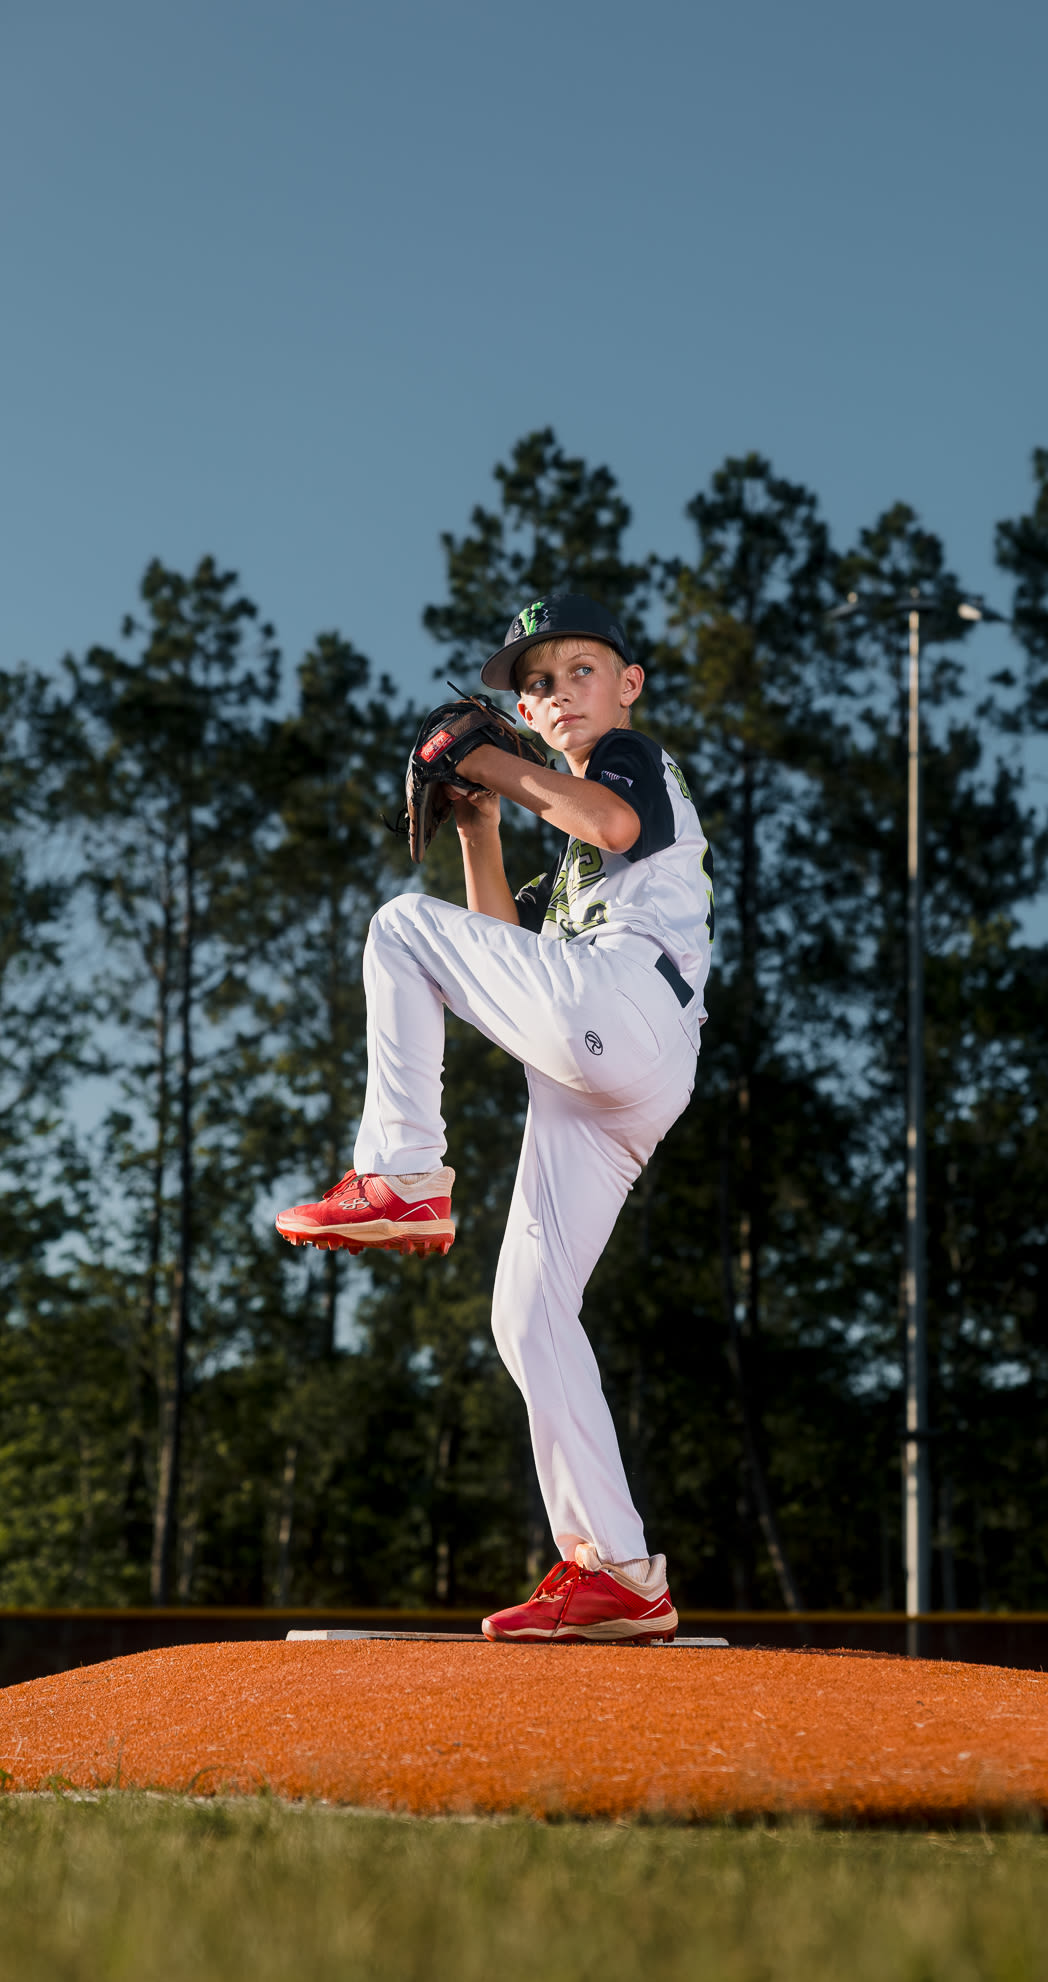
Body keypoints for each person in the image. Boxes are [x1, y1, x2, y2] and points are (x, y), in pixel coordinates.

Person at [275, 593, 713, 1643]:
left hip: (630, 1009)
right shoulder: (564, 860)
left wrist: (491, 764)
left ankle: (402, 1177)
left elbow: (608, 822)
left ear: (628, 684)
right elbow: (499, 960)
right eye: (535, 685)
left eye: (578, 670)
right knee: (526, 1311)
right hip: (601, 1067)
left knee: (397, 926)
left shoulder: (630, 761)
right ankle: (618, 1571)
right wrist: (480, 824)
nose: (556, 694)